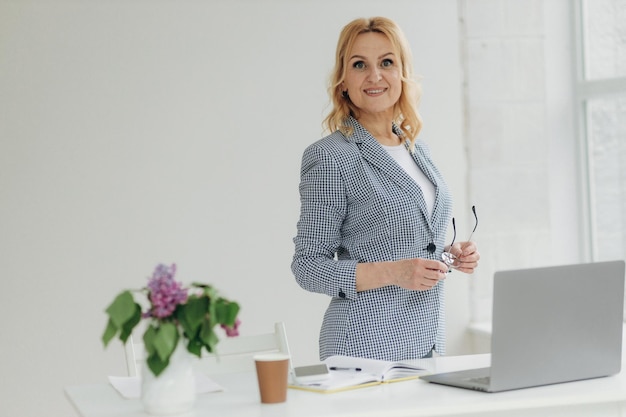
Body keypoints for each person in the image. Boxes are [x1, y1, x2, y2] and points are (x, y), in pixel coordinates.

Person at [291, 17, 480, 362]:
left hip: (428, 343)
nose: (375, 76)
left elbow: (409, 241)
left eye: (387, 62)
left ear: (402, 74)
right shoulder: (330, 157)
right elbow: (307, 266)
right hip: (363, 349)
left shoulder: (416, 149)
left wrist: (451, 254)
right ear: (343, 81)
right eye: (359, 64)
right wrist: (393, 271)